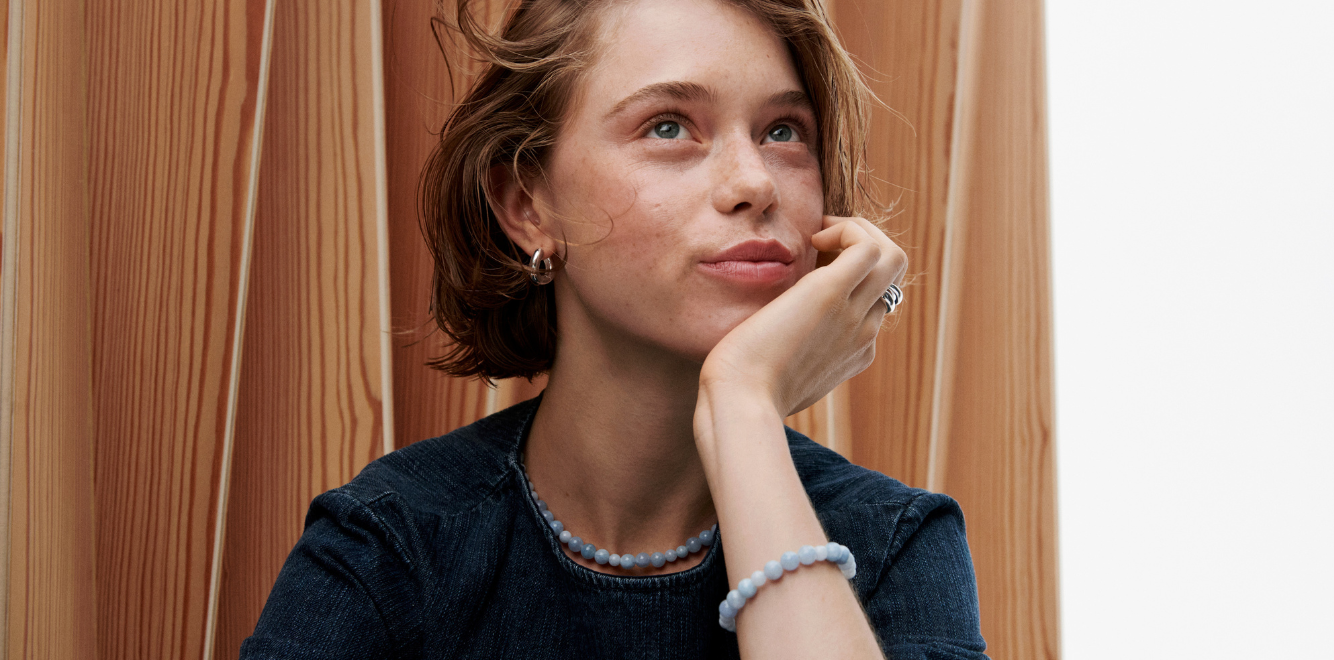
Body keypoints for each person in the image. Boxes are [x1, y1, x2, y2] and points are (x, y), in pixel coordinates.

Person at [240, 0, 987, 657]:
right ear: (527, 203)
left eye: (784, 130)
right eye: (669, 127)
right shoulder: (394, 546)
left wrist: (743, 404)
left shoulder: (894, 545)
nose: (755, 182)